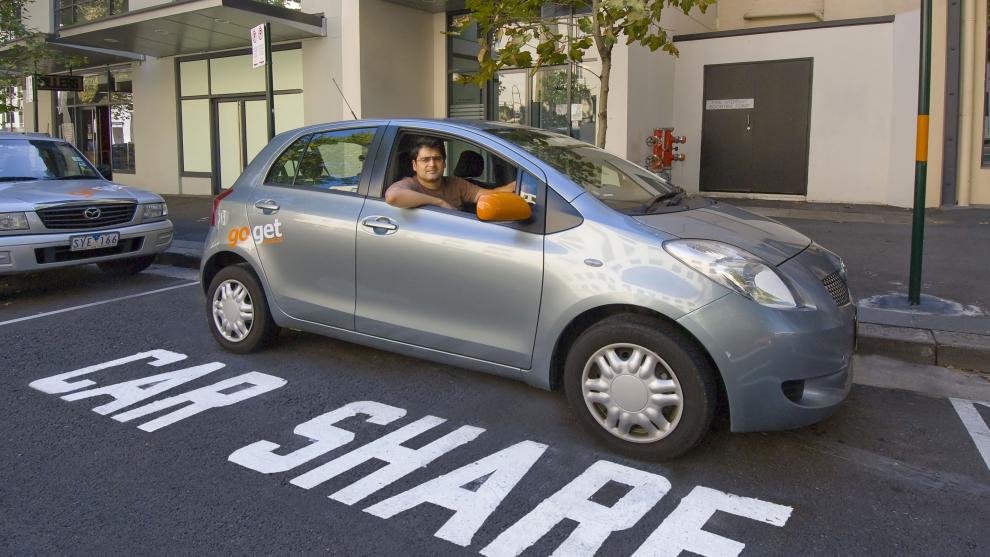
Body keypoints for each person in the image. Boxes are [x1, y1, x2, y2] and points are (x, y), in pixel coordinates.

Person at [385, 136, 515, 211]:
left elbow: (490, 195)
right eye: (425, 160)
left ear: (444, 163)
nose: (432, 164)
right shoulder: (410, 184)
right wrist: (440, 203)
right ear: (414, 165)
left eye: (437, 158)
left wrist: (517, 185)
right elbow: (392, 197)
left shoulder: (456, 183)